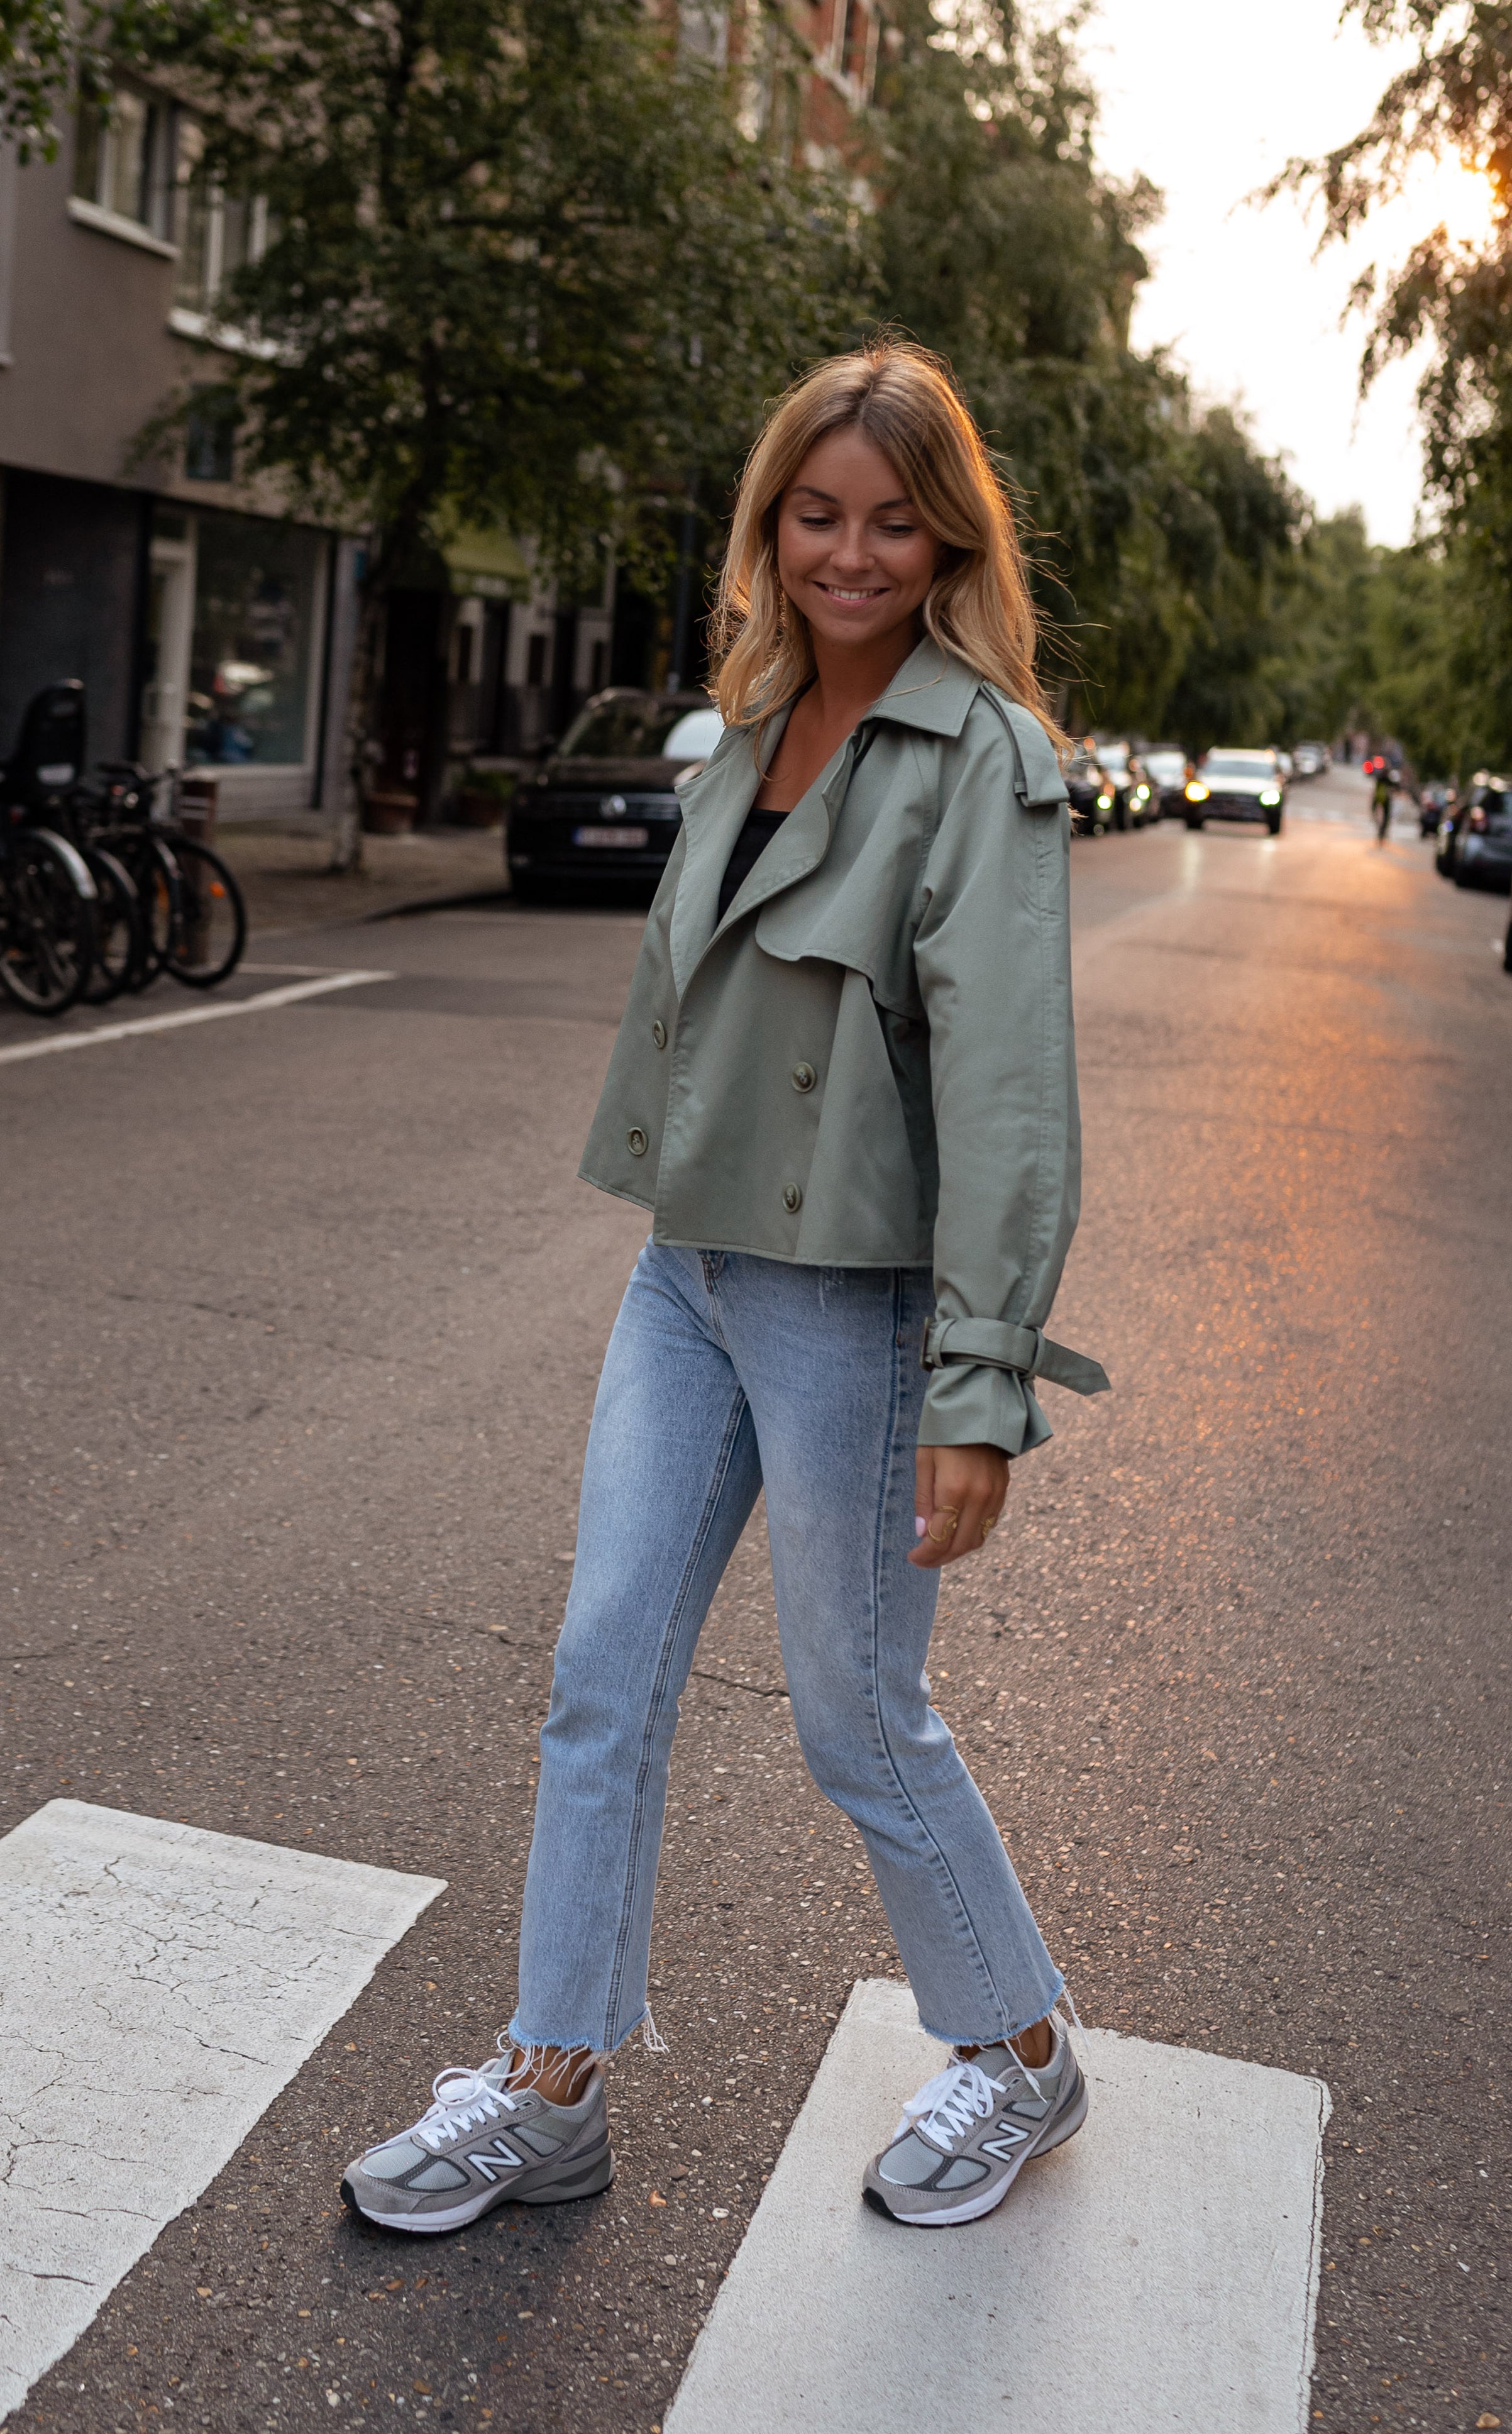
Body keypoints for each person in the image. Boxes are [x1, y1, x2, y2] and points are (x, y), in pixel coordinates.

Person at [342, 341, 1104, 2239]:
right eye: (817, 513)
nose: (850, 552)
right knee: (603, 1673)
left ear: (947, 538)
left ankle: (1018, 2055)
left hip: (854, 1306)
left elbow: (1011, 1089)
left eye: (892, 519)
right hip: (688, 1272)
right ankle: (552, 2080)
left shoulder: (983, 761)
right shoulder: (744, 726)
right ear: (772, 526)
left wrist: (981, 1383)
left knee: (859, 1723)